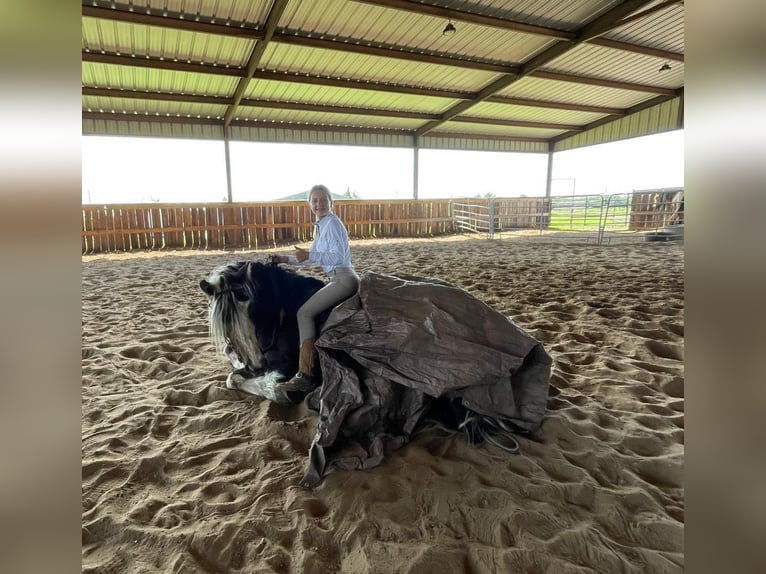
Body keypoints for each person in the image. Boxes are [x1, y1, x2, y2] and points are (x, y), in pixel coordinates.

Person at [272, 184, 360, 391]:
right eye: (314, 201)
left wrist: (310, 255)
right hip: (336, 277)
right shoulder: (321, 226)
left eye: (322, 200)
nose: (318, 204)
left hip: (343, 278)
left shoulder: (332, 224)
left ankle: (306, 374)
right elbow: (309, 258)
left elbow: (338, 256)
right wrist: (283, 259)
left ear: (331, 202)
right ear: (309, 204)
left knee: (304, 314)